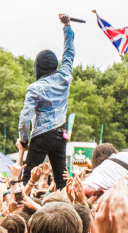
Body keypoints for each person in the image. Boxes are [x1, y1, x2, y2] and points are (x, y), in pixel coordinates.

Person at [16, 13, 75, 190]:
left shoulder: (35, 87)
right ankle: (65, 210)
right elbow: (69, 52)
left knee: (28, 178)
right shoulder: (64, 76)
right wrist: (67, 26)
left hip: (41, 135)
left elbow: (24, 118)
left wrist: (24, 140)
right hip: (60, 135)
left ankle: (23, 210)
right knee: (61, 179)